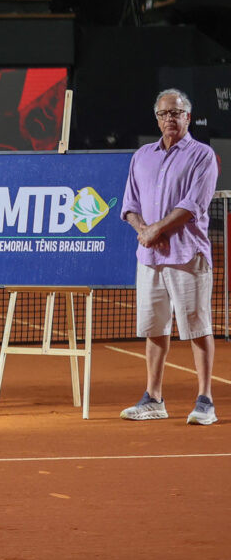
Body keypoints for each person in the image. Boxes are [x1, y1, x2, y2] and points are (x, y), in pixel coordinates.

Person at [120, 89, 218, 426]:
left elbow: (194, 205)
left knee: (198, 328)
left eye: (176, 113)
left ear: (187, 117)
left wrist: (155, 229)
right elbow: (129, 206)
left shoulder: (202, 156)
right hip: (149, 258)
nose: (169, 119)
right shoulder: (141, 156)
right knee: (154, 329)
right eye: (164, 114)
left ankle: (205, 400)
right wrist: (144, 231)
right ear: (157, 118)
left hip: (188, 256)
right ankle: (154, 398)